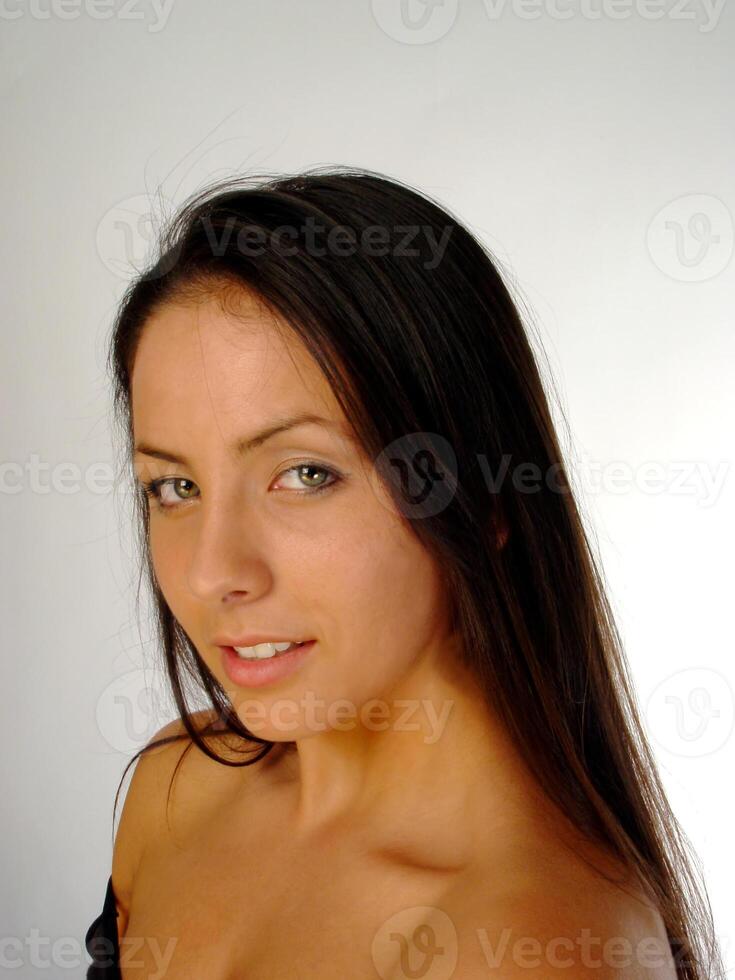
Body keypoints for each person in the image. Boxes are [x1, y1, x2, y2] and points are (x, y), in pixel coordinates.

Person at [86, 166, 723, 978]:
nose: (214, 573)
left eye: (306, 474)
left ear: (486, 496)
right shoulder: (173, 788)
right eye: (175, 487)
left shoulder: (530, 944)